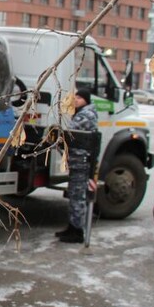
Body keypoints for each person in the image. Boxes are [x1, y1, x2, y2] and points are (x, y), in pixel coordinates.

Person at [56, 88, 99, 244]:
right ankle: (72, 228)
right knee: (74, 195)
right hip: (77, 161)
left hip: (81, 162)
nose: (75, 100)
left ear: (86, 100)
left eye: (79, 98)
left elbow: (70, 132)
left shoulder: (86, 115)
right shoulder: (82, 112)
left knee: (77, 196)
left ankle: (77, 231)